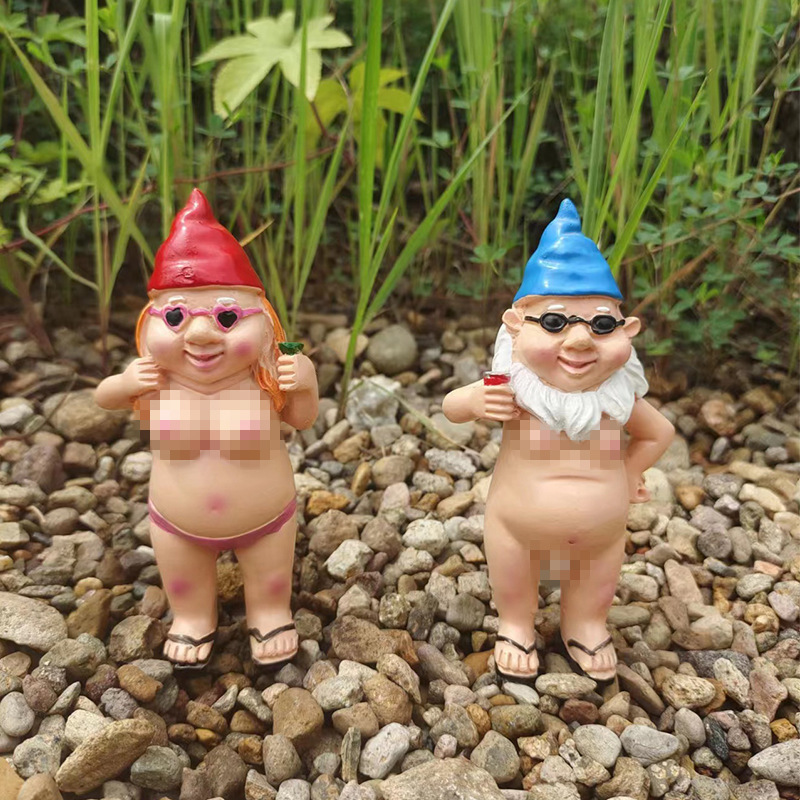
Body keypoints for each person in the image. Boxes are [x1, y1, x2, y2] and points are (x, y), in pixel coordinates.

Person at [442, 199, 675, 685]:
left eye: (602, 325)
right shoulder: (515, 392)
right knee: (513, 571)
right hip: (517, 525)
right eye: (554, 323)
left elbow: (659, 432)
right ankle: (516, 623)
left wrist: (630, 471)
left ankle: (584, 623)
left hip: (601, 532)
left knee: (597, 576)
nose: (580, 341)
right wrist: (475, 400)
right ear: (515, 326)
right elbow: (451, 407)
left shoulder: (616, 399)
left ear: (628, 331)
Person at [96, 189, 319, 670]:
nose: (200, 335)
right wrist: (124, 383)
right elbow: (103, 399)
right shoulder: (155, 381)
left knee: (269, 578)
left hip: (266, 520)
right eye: (176, 317)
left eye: (226, 318)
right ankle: (194, 616)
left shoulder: (264, 378)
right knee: (184, 582)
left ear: (264, 323)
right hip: (177, 523)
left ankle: (269, 611)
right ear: (150, 322)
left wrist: (305, 384)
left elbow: (302, 419)